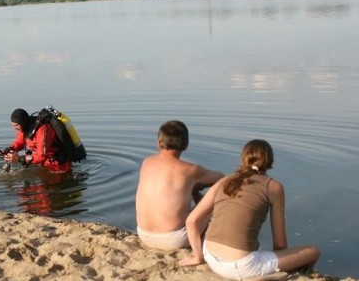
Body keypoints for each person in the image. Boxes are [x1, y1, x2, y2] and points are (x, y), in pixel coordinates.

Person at [180, 139, 320, 280]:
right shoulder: (274, 187)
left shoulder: (224, 181)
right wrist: (282, 260)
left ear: (244, 158)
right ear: (269, 162)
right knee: (313, 251)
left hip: (210, 256)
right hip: (240, 267)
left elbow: (192, 221)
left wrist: (198, 257)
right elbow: (280, 243)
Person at [135, 120, 224, 250]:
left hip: (143, 234)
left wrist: (193, 187)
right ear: (186, 145)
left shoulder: (147, 162)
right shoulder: (192, 170)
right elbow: (221, 178)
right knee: (220, 193)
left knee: (189, 190)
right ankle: (208, 244)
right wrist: (197, 185)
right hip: (174, 240)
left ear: (159, 143)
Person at [3, 108, 72, 173]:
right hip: (45, 164)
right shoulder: (24, 127)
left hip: (58, 166)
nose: (15, 128)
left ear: (22, 122)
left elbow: (41, 156)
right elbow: (19, 142)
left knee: (49, 185)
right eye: (13, 126)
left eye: (16, 125)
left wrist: (19, 159)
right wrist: (10, 149)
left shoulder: (42, 130)